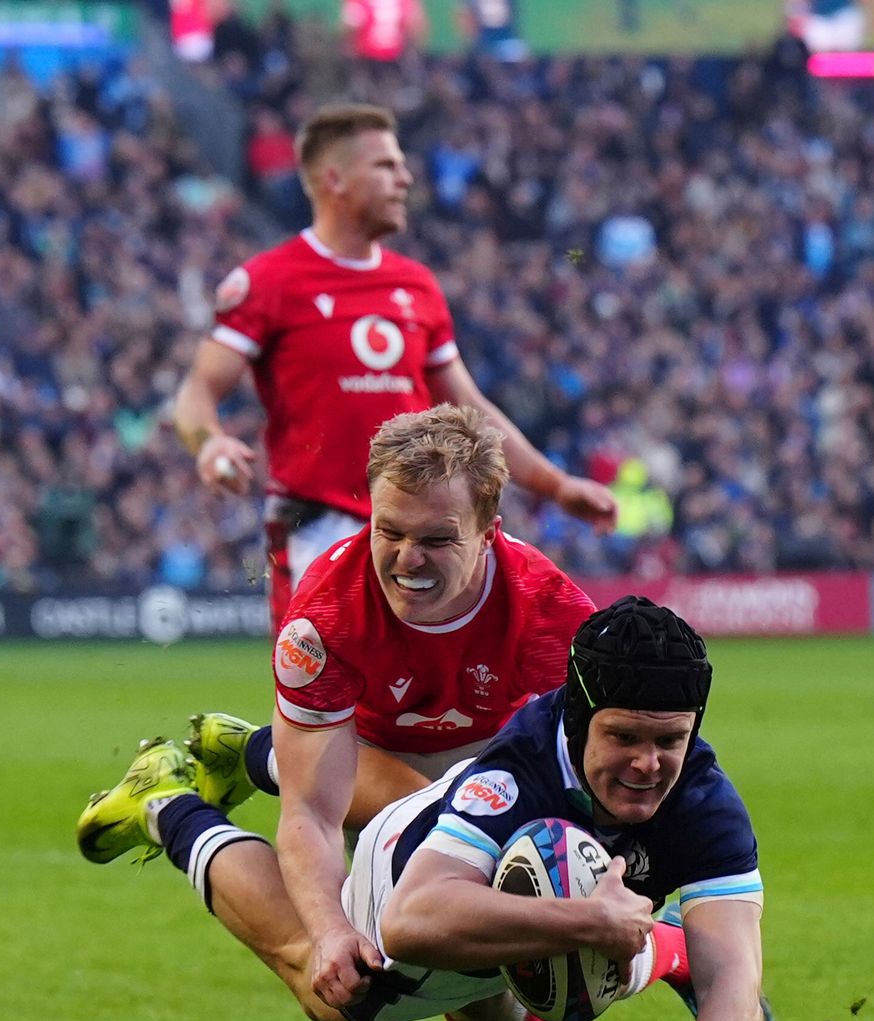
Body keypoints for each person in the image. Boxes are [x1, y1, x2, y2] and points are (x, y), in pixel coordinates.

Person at [84, 597, 771, 1021]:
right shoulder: (519, 774)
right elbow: (411, 923)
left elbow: (736, 977)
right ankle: (168, 803)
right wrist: (593, 921)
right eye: (623, 738)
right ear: (580, 720)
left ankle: (262, 751)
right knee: (334, 993)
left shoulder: (706, 805)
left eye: (669, 741)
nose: (648, 764)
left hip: (465, 837)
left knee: (523, 971)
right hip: (407, 869)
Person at [81, 402, 593, 1015]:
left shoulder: (552, 614)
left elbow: (601, 783)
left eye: (435, 539)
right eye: (389, 531)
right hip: (370, 756)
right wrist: (330, 934)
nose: (407, 559)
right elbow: (309, 817)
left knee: (486, 999)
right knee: (348, 997)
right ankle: (168, 806)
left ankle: (257, 750)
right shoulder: (323, 620)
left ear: (490, 533)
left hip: (471, 761)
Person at [171, 101, 615, 630]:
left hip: (423, 532)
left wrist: (556, 484)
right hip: (320, 529)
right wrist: (209, 443)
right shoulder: (269, 282)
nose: (405, 178)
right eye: (386, 165)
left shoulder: (416, 285)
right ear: (334, 178)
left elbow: (470, 408)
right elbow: (197, 392)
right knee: (320, 704)